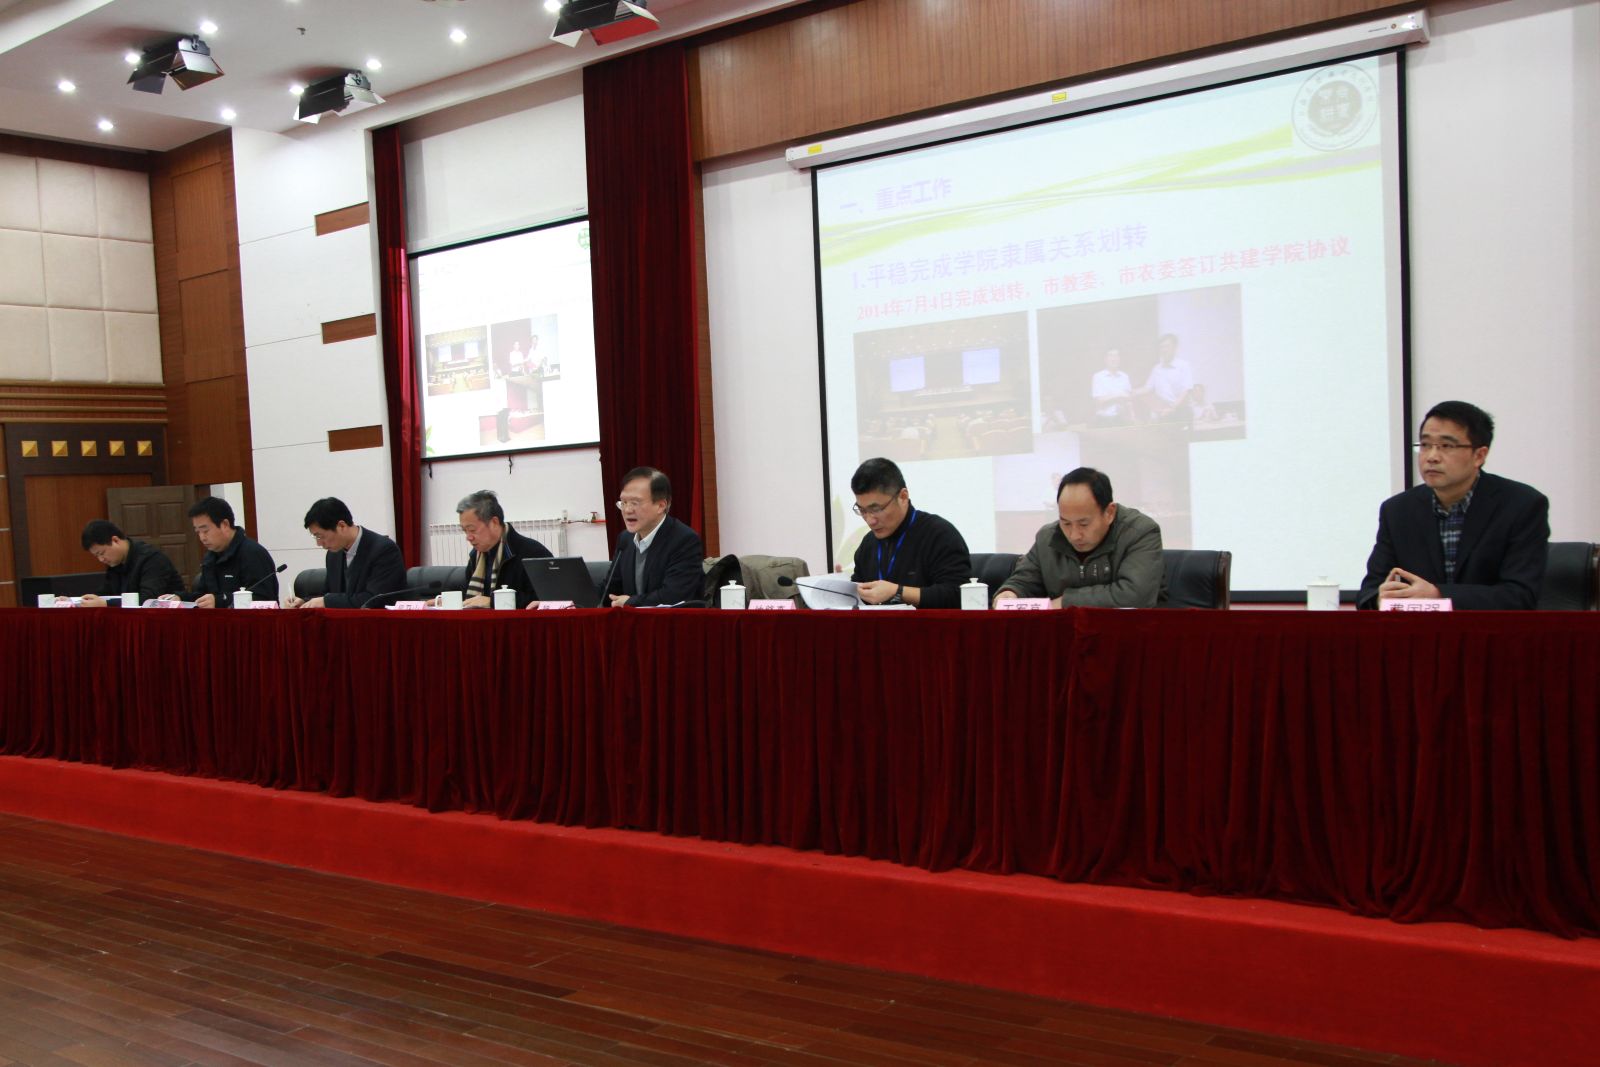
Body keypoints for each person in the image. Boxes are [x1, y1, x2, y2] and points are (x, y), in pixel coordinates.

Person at [1358, 401, 1548, 609]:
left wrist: (1439, 595)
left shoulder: (1522, 505)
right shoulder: (1398, 511)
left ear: (1479, 456)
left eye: (1446, 446)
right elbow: (1369, 591)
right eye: (1425, 445)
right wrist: (1380, 599)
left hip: (1490, 629)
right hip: (1420, 629)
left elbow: (1520, 596)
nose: (1432, 457)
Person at [996, 467, 1164, 608]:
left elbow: (1134, 596)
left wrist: (1065, 602)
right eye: (1066, 523)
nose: (1074, 535)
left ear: (1109, 512)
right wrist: (1010, 593)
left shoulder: (1140, 532)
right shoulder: (1048, 537)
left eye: (1084, 524)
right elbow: (1024, 581)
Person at [847, 457, 971, 607]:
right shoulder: (869, 544)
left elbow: (958, 594)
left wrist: (898, 592)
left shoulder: (939, 534)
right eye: (862, 510)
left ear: (903, 497)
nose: (870, 520)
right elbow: (857, 597)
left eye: (876, 509)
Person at [605, 467, 704, 607]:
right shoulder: (625, 539)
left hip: (674, 619)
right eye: (624, 502)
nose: (627, 510)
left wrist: (630, 602)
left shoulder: (684, 540)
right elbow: (609, 590)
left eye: (635, 503)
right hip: (633, 620)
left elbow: (673, 596)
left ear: (660, 505)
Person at [287, 497, 406, 609]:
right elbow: (329, 594)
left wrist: (326, 601)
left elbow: (374, 599)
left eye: (320, 536)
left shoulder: (383, 550)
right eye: (316, 537)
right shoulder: (333, 554)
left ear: (341, 526)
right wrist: (305, 602)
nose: (319, 543)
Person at [457, 490, 552, 609]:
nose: (468, 537)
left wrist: (493, 601)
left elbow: (545, 599)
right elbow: (470, 599)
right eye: (465, 531)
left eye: (472, 530)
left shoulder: (532, 552)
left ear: (494, 522)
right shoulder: (475, 556)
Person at [187, 497, 279, 608]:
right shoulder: (210, 557)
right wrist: (180, 598)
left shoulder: (253, 553)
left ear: (225, 524)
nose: (202, 538)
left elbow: (263, 599)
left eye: (205, 531)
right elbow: (202, 595)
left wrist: (220, 600)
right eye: (198, 532)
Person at [78, 520, 184, 606]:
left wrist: (107, 603)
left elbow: (148, 599)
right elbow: (106, 592)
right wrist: (85, 600)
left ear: (115, 540)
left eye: (102, 553)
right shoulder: (116, 563)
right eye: (97, 556)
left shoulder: (152, 559)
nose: (101, 559)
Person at [1137, 333, 1194, 421]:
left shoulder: (1183, 366)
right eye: (1161, 347)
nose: (1164, 350)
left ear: (1174, 348)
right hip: (1164, 413)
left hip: (1181, 412)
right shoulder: (1156, 369)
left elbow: (1186, 391)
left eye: (1167, 346)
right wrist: (1131, 392)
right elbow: (1147, 388)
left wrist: (1173, 408)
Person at [1091, 348, 1134, 424]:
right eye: (1111, 356)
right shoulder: (1098, 376)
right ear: (1105, 359)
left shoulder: (1125, 376)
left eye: (1117, 356)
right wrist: (1119, 395)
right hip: (1104, 420)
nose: (1114, 359)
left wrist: (1132, 417)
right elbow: (1098, 401)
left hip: (1122, 419)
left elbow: (1128, 399)